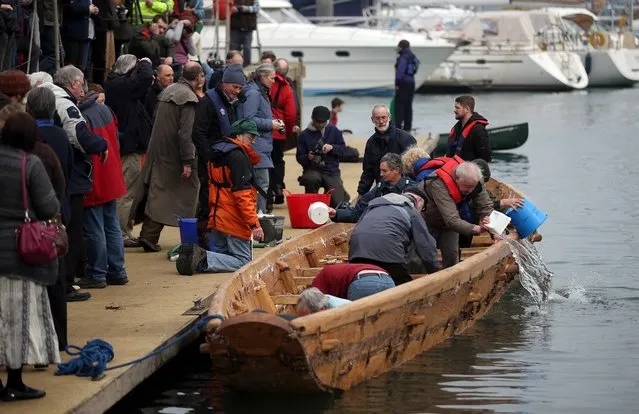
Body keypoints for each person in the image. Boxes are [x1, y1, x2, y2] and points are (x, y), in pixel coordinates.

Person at [0, 112, 61, 401]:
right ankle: (14, 383)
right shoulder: (30, 163)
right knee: (18, 321)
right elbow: (49, 207)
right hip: (19, 255)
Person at [42, 65, 109, 304]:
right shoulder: (65, 103)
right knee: (71, 231)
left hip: (59, 175)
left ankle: (64, 281)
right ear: (73, 84)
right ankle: (67, 284)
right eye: (82, 83)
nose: (84, 88)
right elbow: (80, 135)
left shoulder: (51, 97)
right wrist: (101, 145)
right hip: (71, 178)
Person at [176, 119, 265, 275]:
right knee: (244, 262)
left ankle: (202, 258)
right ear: (239, 136)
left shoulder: (216, 153)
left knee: (224, 258)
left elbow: (211, 186)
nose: (254, 141)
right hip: (233, 219)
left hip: (217, 218)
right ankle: (203, 258)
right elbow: (243, 196)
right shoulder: (239, 157)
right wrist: (254, 224)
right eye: (251, 137)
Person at [132, 62, 203, 252]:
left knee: (159, 195)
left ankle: (149, 235)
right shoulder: (188, 98)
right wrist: (188, 161)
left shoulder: (168, 91)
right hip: (177, 156)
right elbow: (186, 133)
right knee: (189, 197)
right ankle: (193, 238)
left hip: (159, 152)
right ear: (198, 77)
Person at [77, 85, 128, 288]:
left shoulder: (81, 115)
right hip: (111, 174)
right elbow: (115, 139)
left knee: (95, 227)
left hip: (95, 176)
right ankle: (117, 270)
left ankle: (97, 273)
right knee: (111, 225)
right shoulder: (106, 109)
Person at [104, 55, 154, 248]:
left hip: (130, 146)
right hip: (128, 148)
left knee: (128, 192)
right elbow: (145, 78)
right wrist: (145, 62)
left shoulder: (116, 86)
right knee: (126, 193)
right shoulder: (120, 86)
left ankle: (123, 231)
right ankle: (121, 233)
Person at [193, 63, 244, 247]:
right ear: (224, 84)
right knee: (207, 199)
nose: (237, 91)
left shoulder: (230, 103)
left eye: (240, 88)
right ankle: (202, 242)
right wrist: (209, 158)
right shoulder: (207, 102)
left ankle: (219, 239)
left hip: (225, 161)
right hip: (211, 160)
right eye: (235, 87)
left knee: (222, 199)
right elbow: (198, 133)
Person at [349, 187, 439, 285]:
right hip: (388, 254)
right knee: (405, 288)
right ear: (419, 201)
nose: (421, 212)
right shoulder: (412, 211)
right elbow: (426, 246)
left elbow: (357, 229)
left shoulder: (373, 205)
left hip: (357, 252)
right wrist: (435, 274)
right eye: (423, 209)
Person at [421, 158, 494, 268]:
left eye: (472, 187)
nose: (470, 191)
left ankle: (451, 282)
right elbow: (451, 220)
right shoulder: (438, 183)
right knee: (420, 257)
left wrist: (492, 228)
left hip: (450, 222)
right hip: (426, 219)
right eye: (467, 186)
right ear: (457, 179)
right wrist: (476, 229)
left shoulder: (475, 179)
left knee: (452, 256)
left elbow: (485, 206)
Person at [237, 64, 278, 213]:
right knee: (262, 184)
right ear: (263, 77)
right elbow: (248, 119)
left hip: (262, 145)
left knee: (261, 184)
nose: (274, 81)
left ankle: (259, 215)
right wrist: (270, 124)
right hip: (256, 146)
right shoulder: (254, 93)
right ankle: (259, 216)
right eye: (272, 78)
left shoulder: (260, 91)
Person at [329, 153, 415, 223]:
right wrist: (336, 213)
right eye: (380, 170)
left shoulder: (411, 189)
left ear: (396, 170)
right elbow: (357, 212)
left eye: (384, 171)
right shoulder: (380, 188)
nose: (381, 174)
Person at [357, 104, 416, 196]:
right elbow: (368, 172)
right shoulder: (371, 143)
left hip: (404, 190)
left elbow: (414, 167)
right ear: (372, 120)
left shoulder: (405, 138)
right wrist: (361, 193)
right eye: (377, 118)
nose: (381, 121)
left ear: (389, 117)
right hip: (381, 189)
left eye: (383, 117)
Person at [296, 105, 348, 208]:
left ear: (327, 120)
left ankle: (342, 194)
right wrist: (308, 157)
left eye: (322, 122)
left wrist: (332, 148)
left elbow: (343, 150)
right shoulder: (304, 135)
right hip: (312, 170)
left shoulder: (334, 131)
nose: (320, 124)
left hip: (331, 171)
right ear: (312, 119)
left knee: (338, 204)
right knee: (311, 179)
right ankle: (311, 201)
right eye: (317, 121)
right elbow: (299, 157)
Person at [268, 58, 298, 210]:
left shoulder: (268, 82)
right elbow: (291, 113)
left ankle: (269, 192)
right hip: (279, 131)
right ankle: (279, 187)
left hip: (265, 128)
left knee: (266, 160)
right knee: (278, 160)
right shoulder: (286, 88)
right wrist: (288, 129)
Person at [312, 263, 395, 301]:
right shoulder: (334, 271)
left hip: (364, 283)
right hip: (388, 280)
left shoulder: (317, 284)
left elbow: (315, 302)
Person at [447, 95, 491, 162]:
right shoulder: (457, 128)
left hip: (469, 170)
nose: (454, 110)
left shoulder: (478, 130)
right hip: (454, 168)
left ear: (467, 109)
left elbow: (486, 158)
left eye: (457, 108)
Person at [394, 39, 419, 132]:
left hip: (403, 84)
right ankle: (408, 127)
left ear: (402, 47)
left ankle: (398, 127)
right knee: (408, 106)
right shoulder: (412, 56)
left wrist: (397, 84)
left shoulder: (403, 57)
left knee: (399, 106)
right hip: (411, 83)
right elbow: (415, 69)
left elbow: (400, 71)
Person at [230, 0, 259, 66]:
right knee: (234, 48)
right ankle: (234, 65)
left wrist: (246, 9)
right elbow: (228, 7)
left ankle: (246, 65)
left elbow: (257, 8)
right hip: (235, 28)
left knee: (247, 48)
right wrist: (233, 9)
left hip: (248, 28)